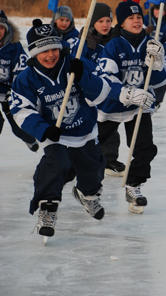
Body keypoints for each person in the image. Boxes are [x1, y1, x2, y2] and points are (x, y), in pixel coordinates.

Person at [10, 19, 114, 243]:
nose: (50, 55)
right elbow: (21, 110)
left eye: (54, 48)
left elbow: (102, 93)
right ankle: (47, 209)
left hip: (84, 130)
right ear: (34, 53)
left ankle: (86, 195)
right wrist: (44, 130)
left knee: (92, 170)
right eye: (43, 50)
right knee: (54, 165)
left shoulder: (76, 64)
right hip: (54, 134)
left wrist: (83, 76)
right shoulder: (25, 79)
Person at [96, 0, 166, 214]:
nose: (136, 21)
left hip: (140, 107)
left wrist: (157, 64)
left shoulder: (152, 43)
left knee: (145, 148)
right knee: (92, 149)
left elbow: (160, 81)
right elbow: (105, 78)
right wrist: (128, 94)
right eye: (131, 18)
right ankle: (85, 185)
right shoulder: (114, 45)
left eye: (139, 17)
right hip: (112, 106)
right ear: (122, 23)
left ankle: (133, 186)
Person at [71, 3, 125, 177]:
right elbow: (76, 64)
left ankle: (109, 159)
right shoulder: (83, 42)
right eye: (100, 21)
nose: (105, 25)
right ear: (92, 22)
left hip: (110, 92)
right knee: (88, 129)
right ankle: (77, 159)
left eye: (108, 21)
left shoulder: (116, 41)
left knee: (110, 129)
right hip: (89, 93)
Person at [0, 10, 39, 151]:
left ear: (7, 29)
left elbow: (21, 72)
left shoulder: (14, 46)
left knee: (18, 127)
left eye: (1, 27)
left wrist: (15, 91)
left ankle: (30, 139)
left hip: (9, 92)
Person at [144, 1, 166, 108]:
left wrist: (160, 52)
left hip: (162, 57)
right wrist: (145, 31)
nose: (158, 12)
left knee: (162, 77)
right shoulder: (145, 20)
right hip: (145, 55)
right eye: (156, 9)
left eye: (161, 9)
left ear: (165, 11)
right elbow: (136, 34)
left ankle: (157, 101)